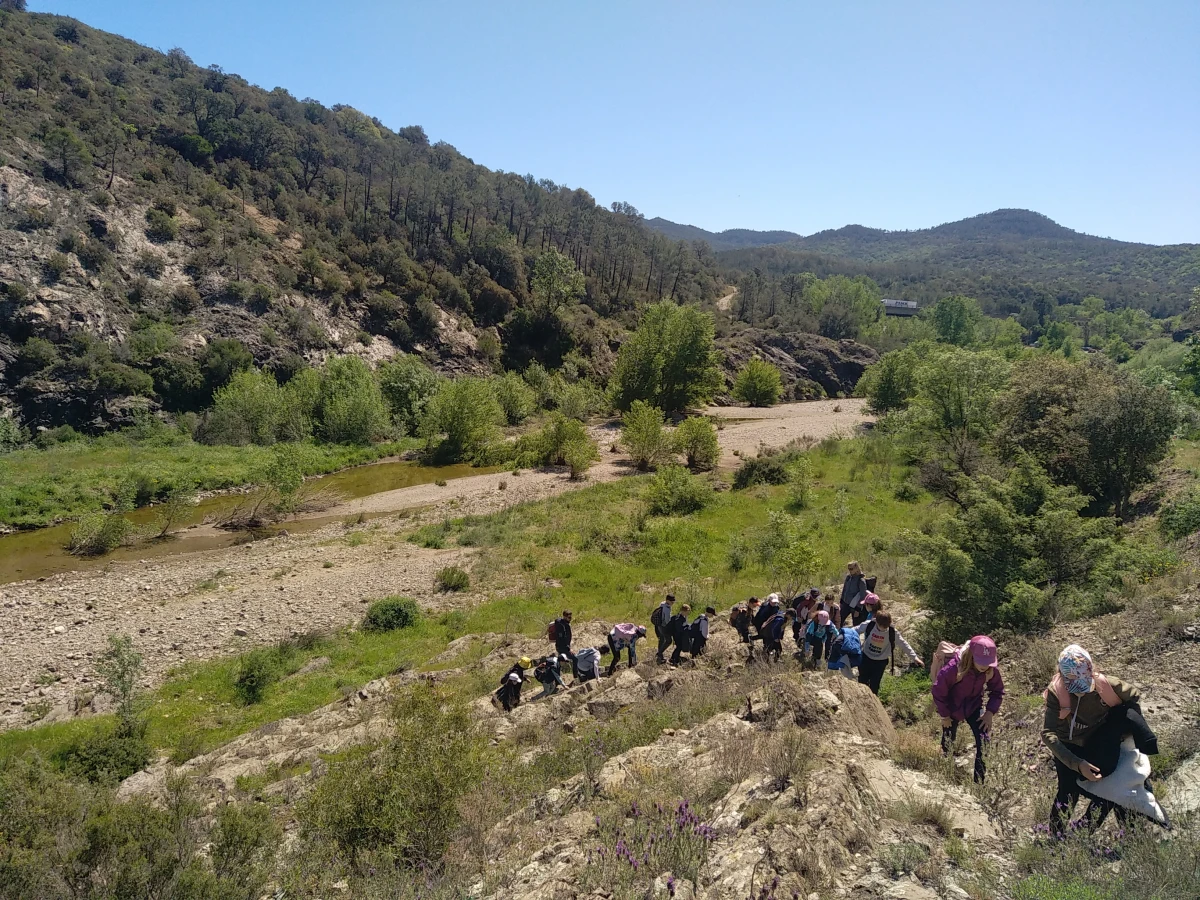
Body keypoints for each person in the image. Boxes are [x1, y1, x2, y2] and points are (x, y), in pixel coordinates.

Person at [1042, 644, 1160, 836]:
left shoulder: (1107, 686)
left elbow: (1133, 698)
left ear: (1091, 671)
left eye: (1084, 685)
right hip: (1066, 746)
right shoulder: (1057, 693)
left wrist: (1124, 731)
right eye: (1074, 687)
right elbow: (1048, 734)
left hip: (1095, 742)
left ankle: (1096, 831)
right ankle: (1056, 839)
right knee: (1068, 791)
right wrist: (1078, 765)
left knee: (1110, 788)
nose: (1081, 691)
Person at [932, 635, 1005, 784]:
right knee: (948, 742)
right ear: (971, 656)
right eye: (981, 662)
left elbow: (997, 691)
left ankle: (978, 784)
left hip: (974, 706)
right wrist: (945, 716)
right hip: (951, 709)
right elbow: (938, 691)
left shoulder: (990, 671)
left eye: (988, 662)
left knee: (984, 742)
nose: (985, 666)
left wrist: (990, 712)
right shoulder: (954, 668)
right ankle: (945, 776)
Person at [854, 612, 922, 695]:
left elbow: (903, 643)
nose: (883, 629)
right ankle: (860, 701)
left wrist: (914, 657)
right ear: (876, 622)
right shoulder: (869, 625)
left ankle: (872, 705)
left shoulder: (892, 631)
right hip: (866, 658)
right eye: (881, 626)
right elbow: (855, 630)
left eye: (885, 627)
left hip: (880, 662)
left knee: (875, 686)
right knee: (862, 682)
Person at [840, 562, 868, 627]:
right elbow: (844, 590)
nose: (850, 570)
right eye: (848, 569)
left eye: (851, 569)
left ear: (856, 568)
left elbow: (863, 596)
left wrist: (858, 609)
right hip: (845, 603)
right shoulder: (848, 577)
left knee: (856, 624)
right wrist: (841, 601)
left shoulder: (861, 580)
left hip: (855, 606)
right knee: (839, 620)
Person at [652, 594, 676, 663]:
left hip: (658, 625)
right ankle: (660, 653)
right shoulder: (667, 609)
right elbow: (666, 620)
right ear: (668, 601)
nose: (673, 603)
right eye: (672, 602)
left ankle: (660, 655)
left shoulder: (662, 604)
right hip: (663, 626)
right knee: (669, 641)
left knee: (661, 639)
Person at [552, 610, 576, 676]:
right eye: (569, 617)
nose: (570, 619)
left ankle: (559, 674)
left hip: (558, 646)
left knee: (561, 660)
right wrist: (569, 648)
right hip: (563, 647)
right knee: (575, 659)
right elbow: (565, 639)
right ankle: (576, 676)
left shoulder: (558, 622)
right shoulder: (565, 626)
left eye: (571, 617)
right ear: (564, 617)